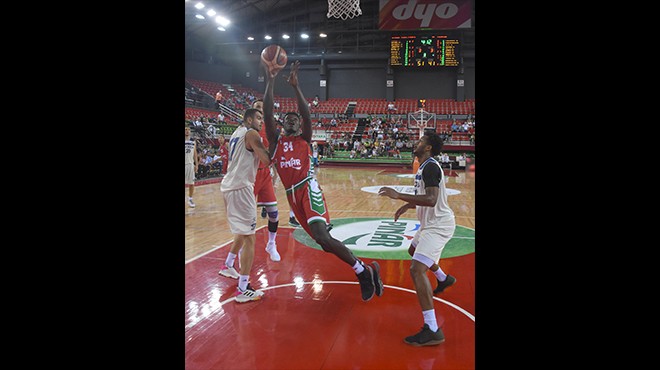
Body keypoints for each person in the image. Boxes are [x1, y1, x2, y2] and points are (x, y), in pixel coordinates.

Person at [263, 60, 383, 301]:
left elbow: (306, 115)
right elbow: (266, 113)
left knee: (322, 236)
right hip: (292, 195)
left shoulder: (304, 139)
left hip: (308, 188)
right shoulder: (276, 142)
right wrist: (271, 79)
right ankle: (366, 270)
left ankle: (361, 272)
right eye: (288, 118)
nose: (292, 120)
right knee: (325, 243)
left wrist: (296, 88)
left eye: (296, 119)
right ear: (281, 124)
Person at [377, 132, 456, 346]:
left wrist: (398, 195)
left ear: (428, 147)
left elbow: (431, 199)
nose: (417, 142)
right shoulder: (423, 166)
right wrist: (408, 205)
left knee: (416, 269)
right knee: (413, 251)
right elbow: (425, 197)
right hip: (429, 225)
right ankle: (442, 278)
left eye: (421, 141)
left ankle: (432, 328)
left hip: (439, 226)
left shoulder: (430, 167)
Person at [219, 108, 272, 303]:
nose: (260, 122)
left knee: (242, 232)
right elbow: (266, 159)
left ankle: (227, 265)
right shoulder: (251, 133)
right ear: (248, 119)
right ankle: (243, 289)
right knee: (250, 238)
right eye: (258, 118)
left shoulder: (237, 132)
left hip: (229, 186)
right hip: (241, 188)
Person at [185, 127, 199, 208]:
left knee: (191, 183)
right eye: (185, 130)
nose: (187, 131)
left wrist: (196, 164)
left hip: (190, 164)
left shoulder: (193, 142)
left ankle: (190, 198)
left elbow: (195, 154)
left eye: (188, 130)